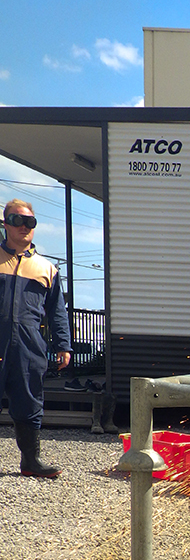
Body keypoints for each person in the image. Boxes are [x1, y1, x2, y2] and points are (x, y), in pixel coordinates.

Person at [1, 199, 72, 477]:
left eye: (29, 222)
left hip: (29, 347)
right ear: (5, 224)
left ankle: (31, 462)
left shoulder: (47, 269)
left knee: (29, 402)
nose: (24, 227)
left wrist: (63, 345)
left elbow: (58, 312)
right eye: (17, 221)